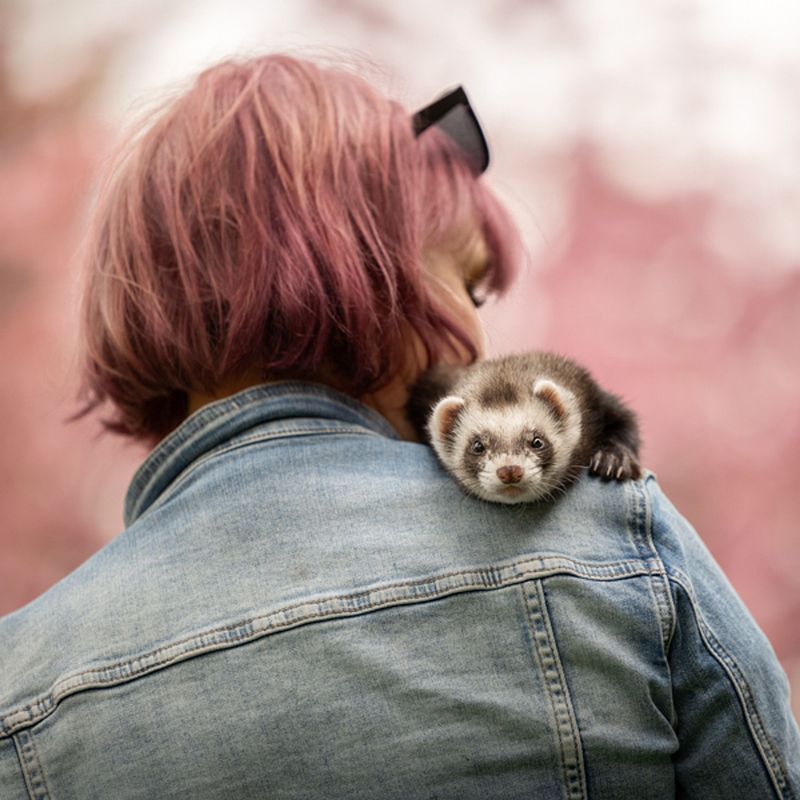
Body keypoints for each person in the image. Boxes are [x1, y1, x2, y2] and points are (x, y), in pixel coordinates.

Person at [0, 53, 797, 800]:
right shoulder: (610, 543)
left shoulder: (20, 688)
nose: (483, 342)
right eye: (470, 288)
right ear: (364, 270)